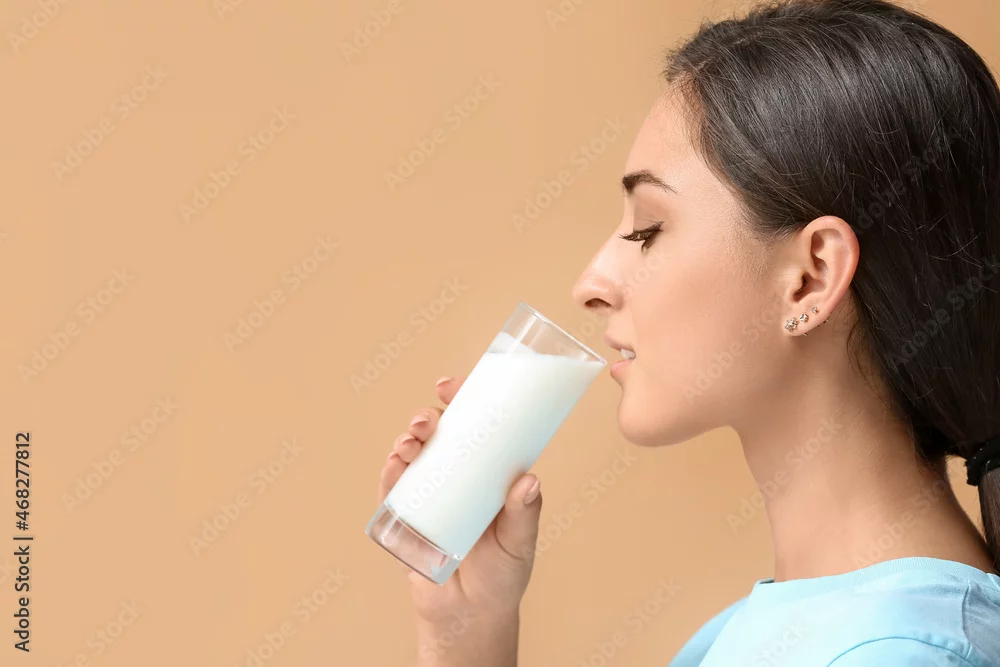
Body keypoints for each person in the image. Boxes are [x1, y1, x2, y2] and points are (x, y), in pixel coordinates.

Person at [376, 0, 1000, 664]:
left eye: (648, 230)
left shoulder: (897, 652)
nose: (591, 283)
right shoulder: (767, 630)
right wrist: (469, 627)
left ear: (811, 278)